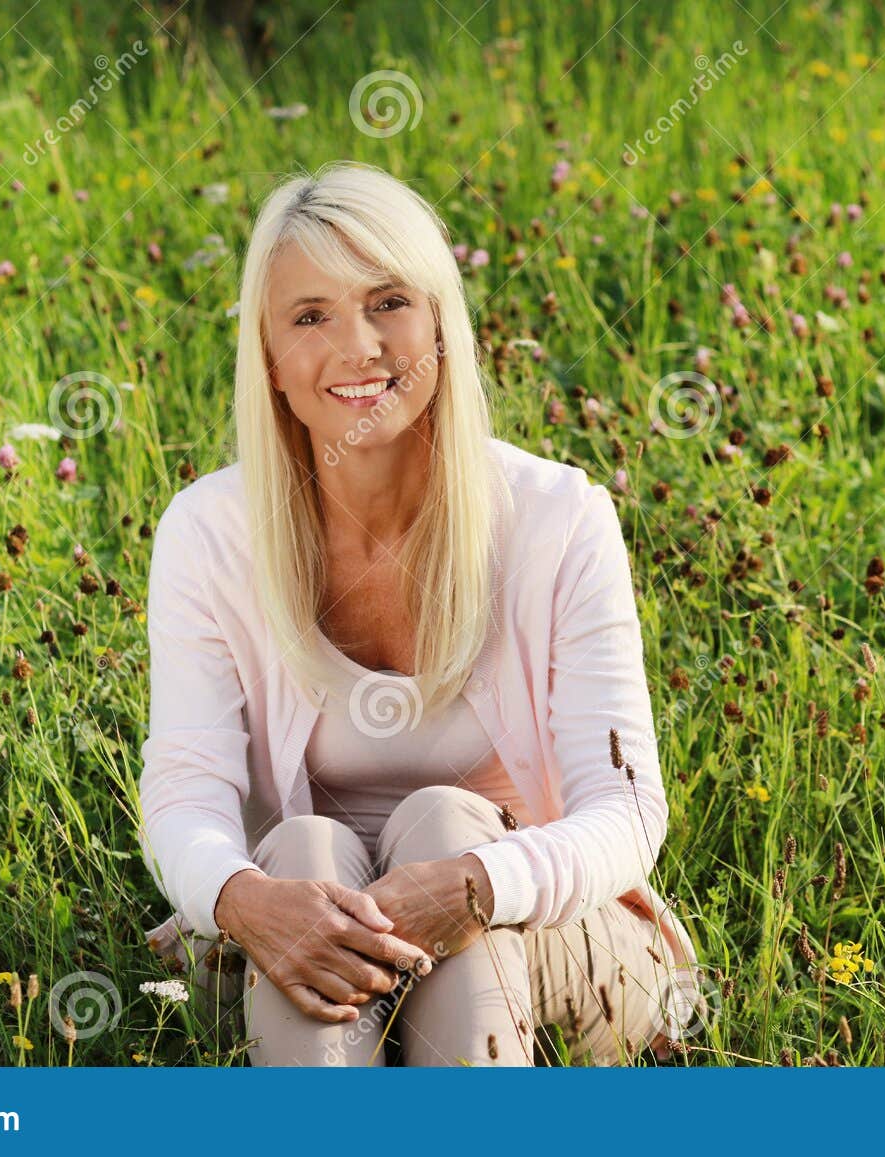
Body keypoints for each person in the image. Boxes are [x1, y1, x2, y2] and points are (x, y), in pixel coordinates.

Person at [138, 160, 704, 1066]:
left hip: (534, 922)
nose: (358, 345)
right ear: (272, 361)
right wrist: (247, 901)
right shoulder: (211, 531)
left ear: (442, 324)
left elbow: (628, 810)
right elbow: (185, 789)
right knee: (310, 846)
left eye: (389, 302)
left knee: (447, 817)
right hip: (300, 926)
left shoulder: (559, 519)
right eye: (311, 316)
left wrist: (477, 881)